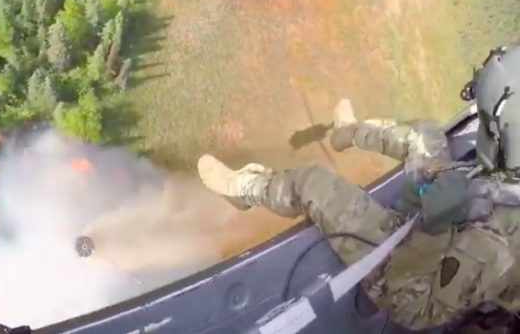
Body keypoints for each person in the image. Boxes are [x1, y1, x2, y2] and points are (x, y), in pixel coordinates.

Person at [197, 45, 520, 331]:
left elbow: (416, 308)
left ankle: (241, 189)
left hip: (409, 271)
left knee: (315, 185)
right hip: (455, 206)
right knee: (424, 135)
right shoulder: (505, 174)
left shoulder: (493, 247)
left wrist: (432, 230)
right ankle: (347, 132)